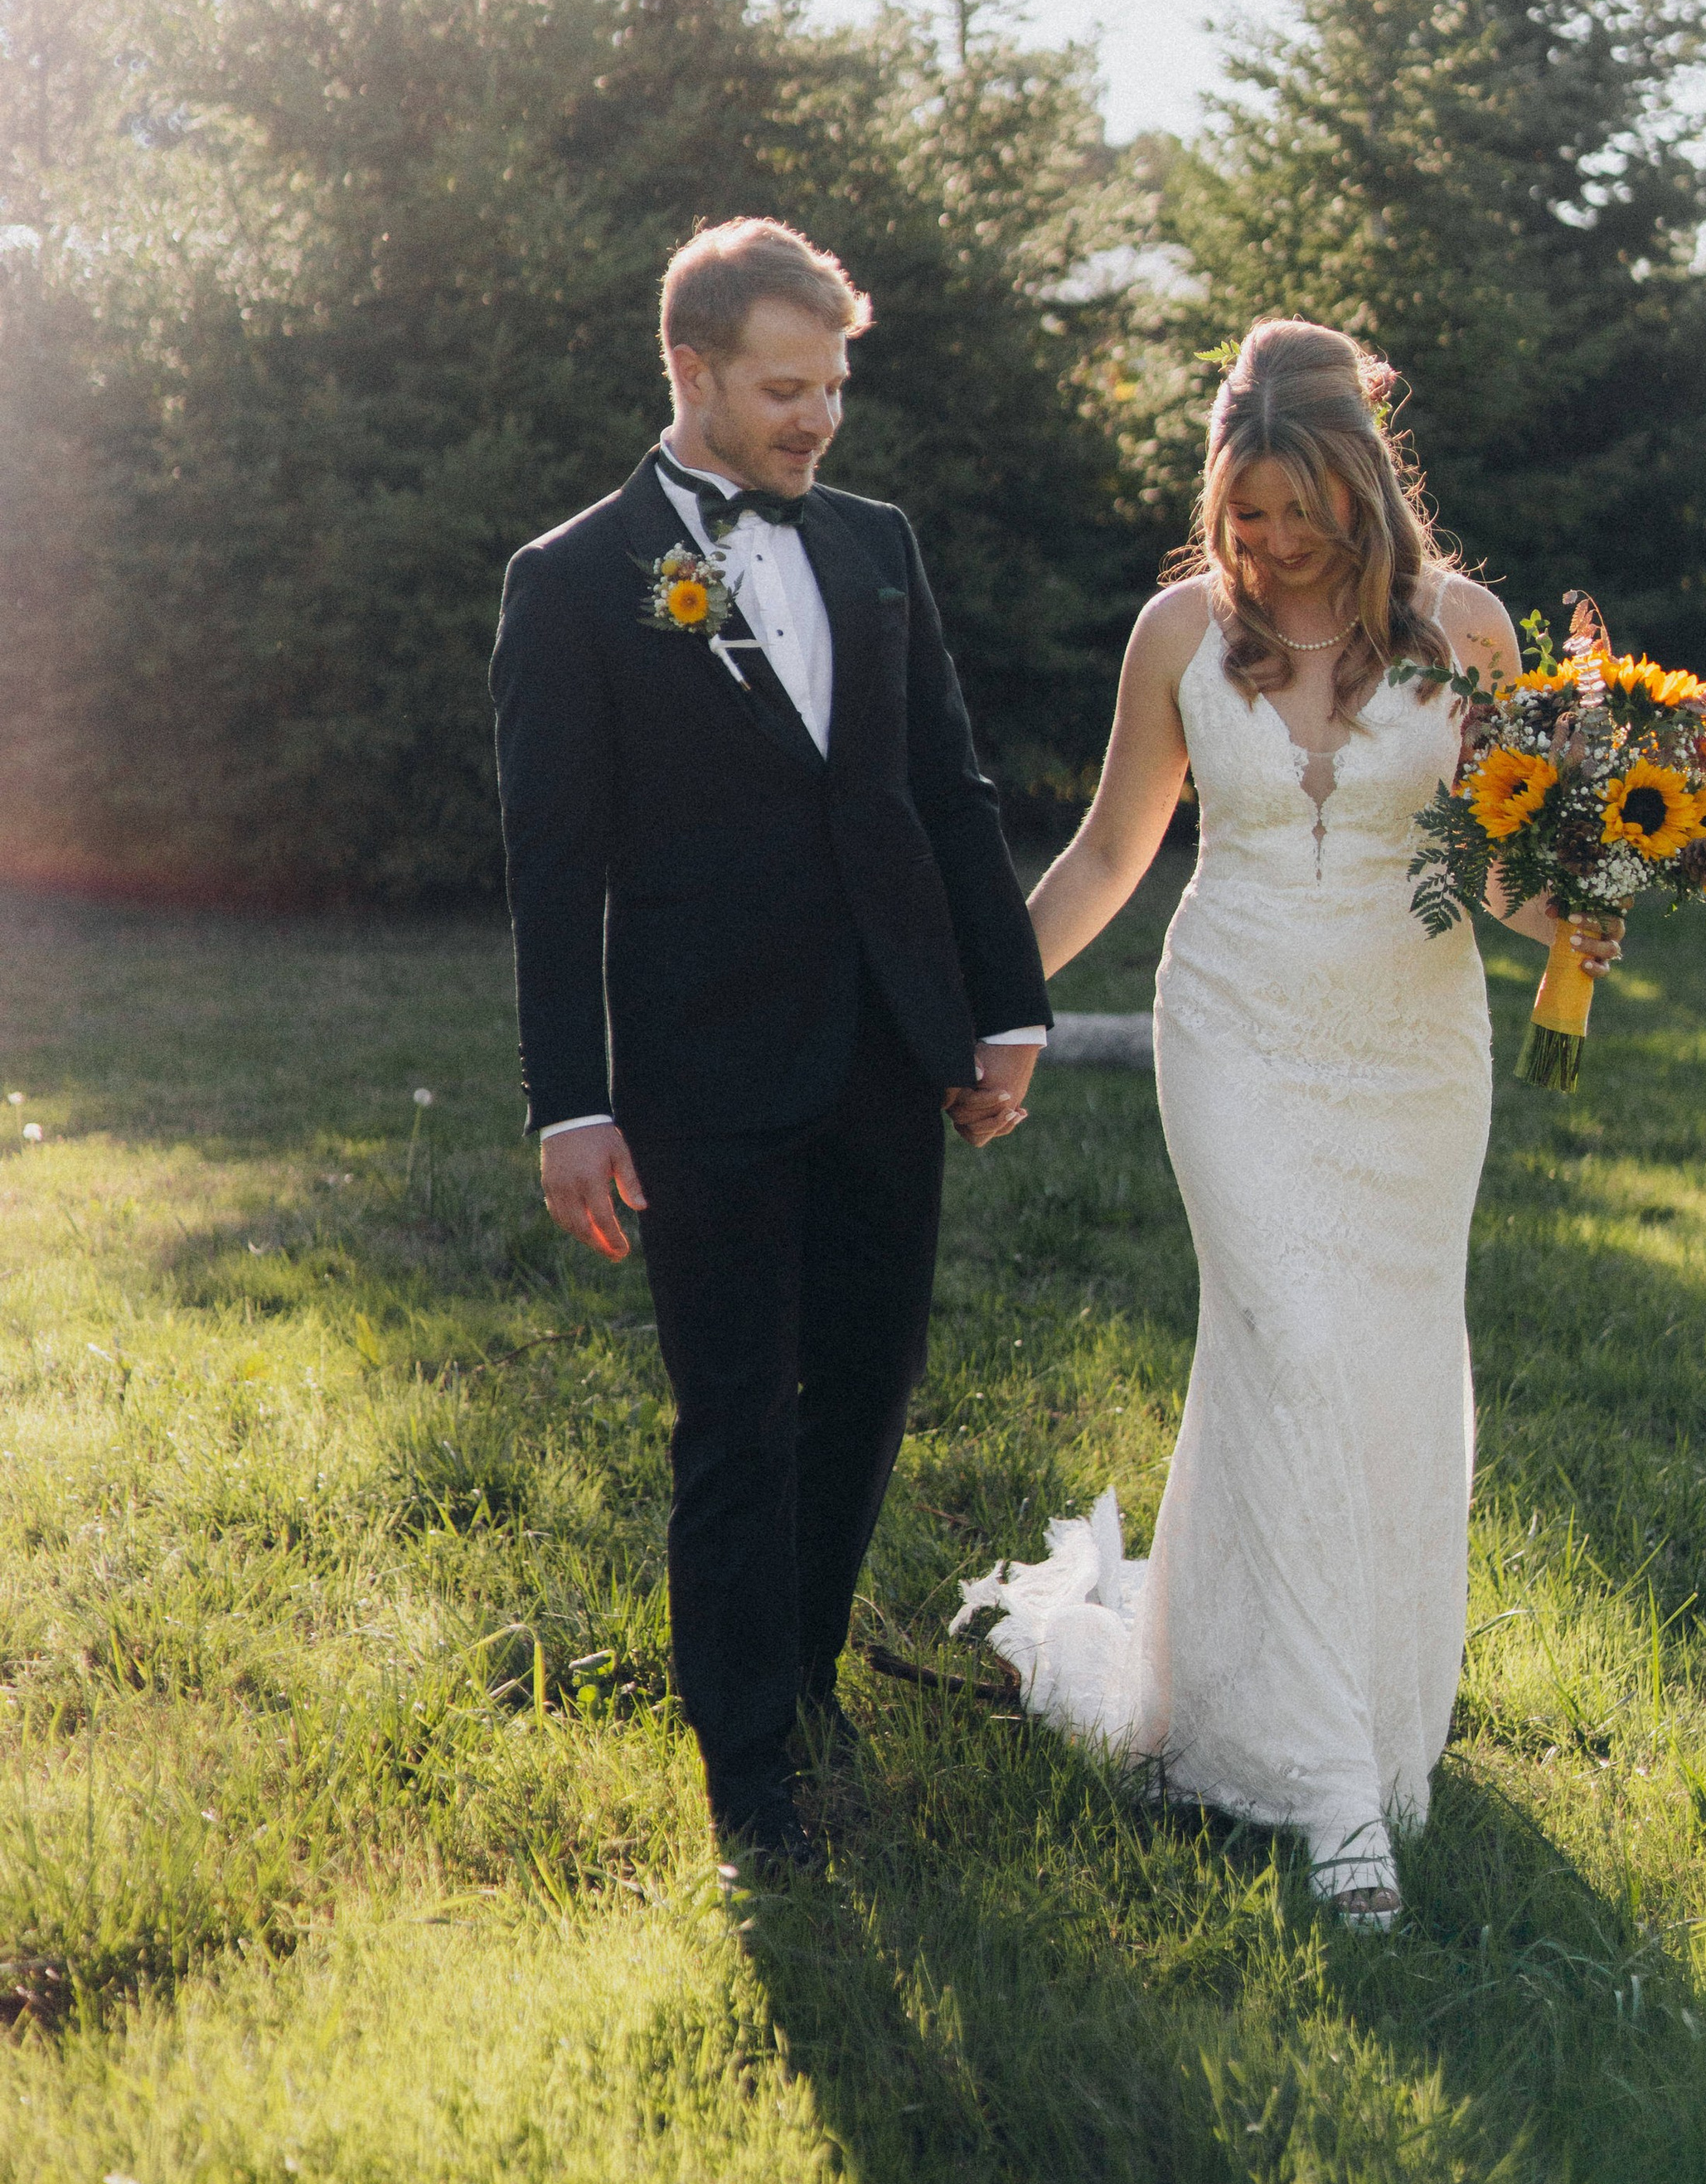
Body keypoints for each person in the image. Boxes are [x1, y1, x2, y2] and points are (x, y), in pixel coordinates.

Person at [952, 318, 1619, 1924]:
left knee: (1372, 1374)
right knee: (1292, 1343)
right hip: (1235, 1038)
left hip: (1409, 1056)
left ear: (1361, 491)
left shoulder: (1461, 629)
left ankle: (1321, 1721)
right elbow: (1111, 855)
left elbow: (1511, 866)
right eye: (1237, 514)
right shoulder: (1178, 628)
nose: (1261, 544)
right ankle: (1326, 1797)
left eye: (1292, 516)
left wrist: (1600, 896)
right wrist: (987, 1005)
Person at [492, 216, 1049, 1872]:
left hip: (886, 1047)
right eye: (782, 388)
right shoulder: (576, 579)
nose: (815, 421)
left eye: (832, 388)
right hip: (700, 1072)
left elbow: (939, 790)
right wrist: (569, 1107)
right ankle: (746, 1777)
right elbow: (552, 876)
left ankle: (801, 1690)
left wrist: (996, 1010)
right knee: (736, 1414)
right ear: (691, 371)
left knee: (864, 1390)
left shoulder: (874, 546)